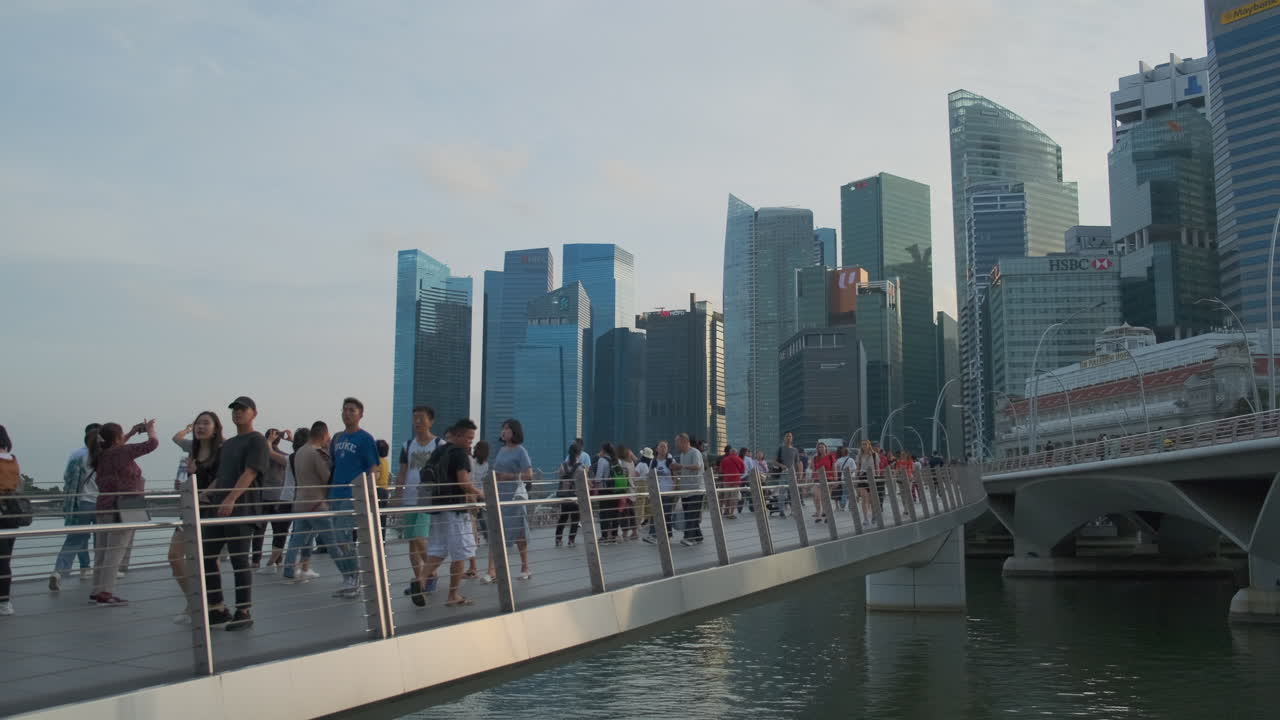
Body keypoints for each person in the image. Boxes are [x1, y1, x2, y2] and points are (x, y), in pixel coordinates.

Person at [202, 396, 269, 630]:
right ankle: (218, 607)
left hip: (242, 508)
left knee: (240, 560)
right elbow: (223, 475)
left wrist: (231, 498)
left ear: (254, 413)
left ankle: (244, 611)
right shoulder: (228, 444)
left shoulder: (257, 440)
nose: (237, 413)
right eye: (235, 410)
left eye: (243, 409)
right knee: (207, 556)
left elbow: (251, 472)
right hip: (220, 507)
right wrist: (207, 493)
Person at [90, 419, 159, 606]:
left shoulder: (101, 454)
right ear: (118, 437)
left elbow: (116, 446)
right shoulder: (122, 452)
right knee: (115, 551)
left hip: (103, 506)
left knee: (102, 551)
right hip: (124, 507)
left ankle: (97, 590)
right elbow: (152, 444)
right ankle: (106, 593)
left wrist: (130, 432)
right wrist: (151, 429)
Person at [419, 418, 484, 607]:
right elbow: (463, 482)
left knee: (439, 548)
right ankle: (453, 595)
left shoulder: (439, 451)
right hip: (455, 509)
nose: (470, 442)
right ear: (457, 435)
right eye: (468, 438)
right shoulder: (460, 454)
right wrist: (480, 494)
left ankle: (420, 579)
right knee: (460, 552)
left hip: (437, 507)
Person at [167, 412, 223, 624]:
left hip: (210, 510)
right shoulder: (192, 449)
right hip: (190, 509)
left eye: (205, 423)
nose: (201, 427)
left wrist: (204, 493)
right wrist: (190, 476)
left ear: (216, 427)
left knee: (207, 560)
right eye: (198, 423)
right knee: (174, 556)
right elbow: (176, 438)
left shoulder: (222, 450)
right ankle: (194, 601)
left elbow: (222, 477)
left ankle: (212, 605)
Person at [328, 397, 380, 599]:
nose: (347, 413)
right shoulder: (338, 438)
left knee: (343, 535)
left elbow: (374, 468)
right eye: (345, 410)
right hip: (335, 493)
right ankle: (349, 576)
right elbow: (334, 466)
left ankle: (354, 577)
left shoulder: (365, 439)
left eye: (352, 410)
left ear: (360, 414)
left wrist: (366, 491)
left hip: (352, 495)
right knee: (336, 537)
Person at [395, 406, 443, 604]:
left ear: (430, 421)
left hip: (428, 497)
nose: (417, 422)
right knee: (412, 542)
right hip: (410, 498)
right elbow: (402, 472)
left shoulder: (439, 445)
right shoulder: (407, 446)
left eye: (421, 419)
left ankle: (430, 574)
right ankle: (419, 582)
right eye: (415, 418)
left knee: (418, 536)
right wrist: (397, 495)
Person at [283, 421, 340, 584]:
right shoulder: (316, 454)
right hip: (316, 504)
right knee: (332, 541)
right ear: (323, 435)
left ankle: (289, 569)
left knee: (297, 539)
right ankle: (349, 572)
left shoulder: (299, 452)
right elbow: (326, 478)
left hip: (300, 502)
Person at [49, 423, 101, 591]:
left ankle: (58, 572)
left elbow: (67, 478)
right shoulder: (106, 456)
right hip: (102, 504)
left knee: (74, 540)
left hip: (82, 503)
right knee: (103, 541)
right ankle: (102, 573)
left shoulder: (78, 455)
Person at [483, 419, 533, 582]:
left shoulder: (521, 451)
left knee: (519, 534)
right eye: (502, 428)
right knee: (496, 531)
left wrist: (509, 476)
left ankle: (525, 567)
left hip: (514, 497)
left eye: (507, 429)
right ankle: (492, 570)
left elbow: (529, 475)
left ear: (514, 432)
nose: (503, 432)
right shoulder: (501, 450)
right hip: (499, 496)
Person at [252, 428, 292, 574]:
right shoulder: (282, 456)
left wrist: (267, 441)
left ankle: (256, 560)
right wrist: (292, 439)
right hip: (278, 498)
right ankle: (278, 559)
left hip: (262, 497)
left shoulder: (260, 455)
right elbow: (295, 458)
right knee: (278, 531)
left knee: (259, 531)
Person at [279, 428, 317, 579]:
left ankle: (290, 568)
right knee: (308, 535)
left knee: (297, 536)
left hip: (293, 498)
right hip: (309, 500)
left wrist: (270, 442)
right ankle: (304, 567)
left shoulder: (292, 458)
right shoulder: (311, 457)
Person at [0, 425, 20, 616]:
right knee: (5, 559)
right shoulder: (12, 460)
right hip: (11, 512)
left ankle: (4, 603)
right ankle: (4, 601)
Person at [671, 433, 704, 546]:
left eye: (677, 443)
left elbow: (697, 466)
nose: (676, 445)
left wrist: (681, 466)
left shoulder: (695, 452)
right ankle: (698, 536)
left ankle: (688, 537)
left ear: (684, 442)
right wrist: (676, 470)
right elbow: (684, 471)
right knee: (690, 514)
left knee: (691, 514)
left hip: (696, 489)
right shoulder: (682, 455)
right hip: (685, 490)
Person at [466, 440, 491, 578]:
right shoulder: (485, 464)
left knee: (473, 520)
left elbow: (471, 478)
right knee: (479, 516)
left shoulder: (472, 461)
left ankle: (476, 541)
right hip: (481, 492)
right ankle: (484, 536)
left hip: (472, 493)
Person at [642, 442, 674, 544]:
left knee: (666, 514)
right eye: (661, 446)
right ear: (657, 449)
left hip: (668, 492)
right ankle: (653, 535)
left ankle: (668, 536)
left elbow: (676, 475)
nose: (663, 448)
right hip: (656, 491)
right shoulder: (653, 462)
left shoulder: (671, 461)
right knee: (655, 513)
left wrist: (675, 488)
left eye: (665, 447)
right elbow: (650, 476)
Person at [554, 443, 582, 548]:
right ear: (578, 453)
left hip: (564, 495)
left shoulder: (563, 465)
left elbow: (560, 476)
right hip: (574, 496)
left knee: (563, 517)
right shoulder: (580, 467)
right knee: (575, 518)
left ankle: (558, 538)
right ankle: (571, 540)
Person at [592, 443, 619, 544]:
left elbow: (598, 477)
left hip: (605, 490)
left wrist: (595, 490)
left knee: (604, 513)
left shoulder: (602, 460)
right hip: (616, 490)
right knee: (613, 513)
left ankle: (604, 537)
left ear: (603, 450)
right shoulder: (616, 460)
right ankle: (613, 536)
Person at [773, 431, 802, 518]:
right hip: (783, 474)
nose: (788, 438)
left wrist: (799, 474)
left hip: (793, 475)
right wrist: (782, 465)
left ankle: (793, 511)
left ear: (792, 438)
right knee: (782, 492)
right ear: (784, 438)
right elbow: (774, 461)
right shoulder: (780, 448)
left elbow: (797, 463)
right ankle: (781, 510)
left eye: (790, 436)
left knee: (793, 493)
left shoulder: (795, 450)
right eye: (787, 436)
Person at [811, 442, 836, 523]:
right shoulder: (815, 458)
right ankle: (819, 514)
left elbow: (834, 468)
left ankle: (827, 515)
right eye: (819, 447)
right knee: (816, 497)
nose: (820, 449)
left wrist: (835, 480)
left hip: (828, 479)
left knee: (825, 498)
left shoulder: (830, 456)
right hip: (817, 479)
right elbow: (813, 469)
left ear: (825, 448)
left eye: (822, 447)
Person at [718, 445, 744, 519]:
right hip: (736, 480)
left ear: (729, 452)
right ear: (736, 453)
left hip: (727, 480)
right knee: (734, 497)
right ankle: (731, 513)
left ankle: (726, 511)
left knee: (727, 496)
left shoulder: (724, 460)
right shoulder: (739, 459)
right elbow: (743, 470)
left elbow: (721, 470)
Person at [856, 440, 879, 523]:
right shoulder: (860, 455)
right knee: (864, 498)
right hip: (862, 476)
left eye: (865, 444)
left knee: (872, 499)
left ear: (869, 445)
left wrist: (877, 477)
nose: (864, 446)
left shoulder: (874, 455)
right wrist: (856, 477)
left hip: (872, 477)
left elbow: (877, 467)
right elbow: (858, 467)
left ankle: (874, 515)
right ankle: (865, 518)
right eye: (862, 444)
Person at [633, 448, 651, 537]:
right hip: (647, 485)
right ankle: (647, 521)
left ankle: (638, 524)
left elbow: (636, 474)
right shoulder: (649, 464)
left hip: (640, 484)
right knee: (647, 504)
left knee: (639, 504)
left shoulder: (641, 464)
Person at [834, 446, 856, 511]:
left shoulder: (839, 460)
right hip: (851, 477)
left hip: (843, 478)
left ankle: (842, 505)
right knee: (851, 492)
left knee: (844, 492)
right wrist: (850, 473)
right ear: (848, 452)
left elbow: (836, 469)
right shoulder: (851, 459)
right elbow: (854, 468)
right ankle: (850, 506)